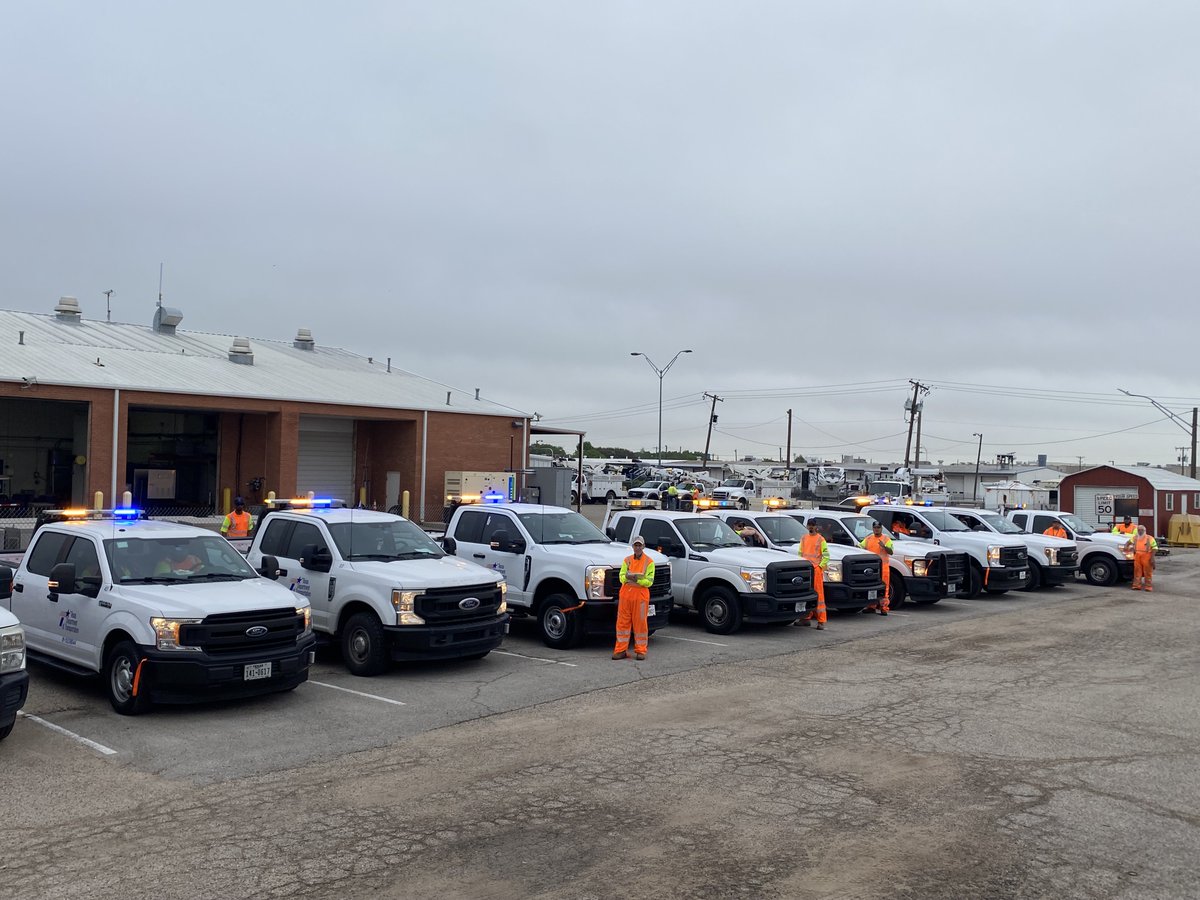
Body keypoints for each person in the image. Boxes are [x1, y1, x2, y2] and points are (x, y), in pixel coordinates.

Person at [614, 536, 655, 660]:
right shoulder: (627, 560)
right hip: (626, 595)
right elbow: (621, 576)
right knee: (622, 623)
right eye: (635, 545)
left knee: (640, 624)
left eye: (639, 545)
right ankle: (620, 650)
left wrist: (639, 579)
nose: (637, 547)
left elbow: (650, 581)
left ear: (643, 546)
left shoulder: (649, 562)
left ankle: (641, 651)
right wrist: (627, 577)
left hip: (641, 596)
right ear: (633, 546)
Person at [796, 520, 829, 630]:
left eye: (813, 525)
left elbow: (826, 555)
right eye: (809, 525)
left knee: (819, 597)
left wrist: (820, 567)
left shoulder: (820, 539)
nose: (811, 527)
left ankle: (821, 621)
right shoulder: (804, 538)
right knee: (805, 595)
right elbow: (800, 554)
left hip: (816, 571)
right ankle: (806, 618)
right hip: (806, 570)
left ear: (816, 527)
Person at [860, 520, 894, 615]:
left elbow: (891, 552)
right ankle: (871, 606)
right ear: (873, 528)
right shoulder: (869, 538)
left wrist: (884, 547)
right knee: (871, 587)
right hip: (871, 568)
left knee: (884, 589)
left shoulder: (886, 539)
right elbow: (860, 547)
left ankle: (884, 608)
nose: (876, 529)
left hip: (883, 568)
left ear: (881, 528)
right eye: (875, 528)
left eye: (878, 528)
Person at [1124, 525, 1158, 591]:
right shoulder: (1135, 538)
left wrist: (1152, 558)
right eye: (1139, 530)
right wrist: (1126, 546)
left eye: (1141, 530)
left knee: (1148, 572)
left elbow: (1155, 548)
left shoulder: (1149, 538)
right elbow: (1128, 542)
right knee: (1137, 572)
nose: (1140, 531)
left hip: (1147, 556)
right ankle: (1136, 586)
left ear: (1144, 531)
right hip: (1137, 556)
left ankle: (1148, 587)